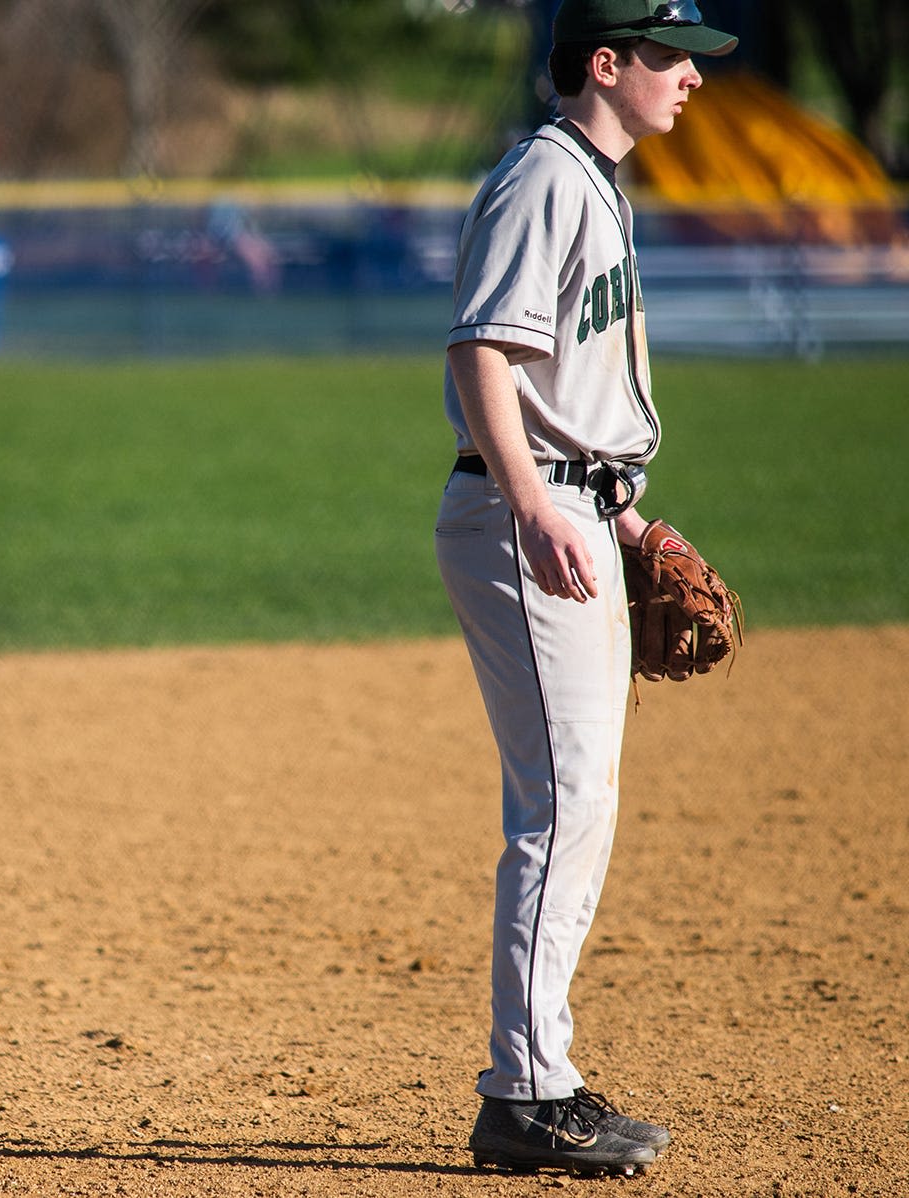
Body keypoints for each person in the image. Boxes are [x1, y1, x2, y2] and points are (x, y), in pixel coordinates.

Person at [433, 0, 737, 1177]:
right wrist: (537, 504)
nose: (690, 81)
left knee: (579, 801)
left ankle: (542, 1076)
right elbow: (480, 354)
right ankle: (523, 1095)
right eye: (668, 58)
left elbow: (567, 384)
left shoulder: (592, 182)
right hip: (530, 516)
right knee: (560, 809)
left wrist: (622, 512)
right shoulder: (545, 178)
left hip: (572, 508)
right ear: (603, 65)